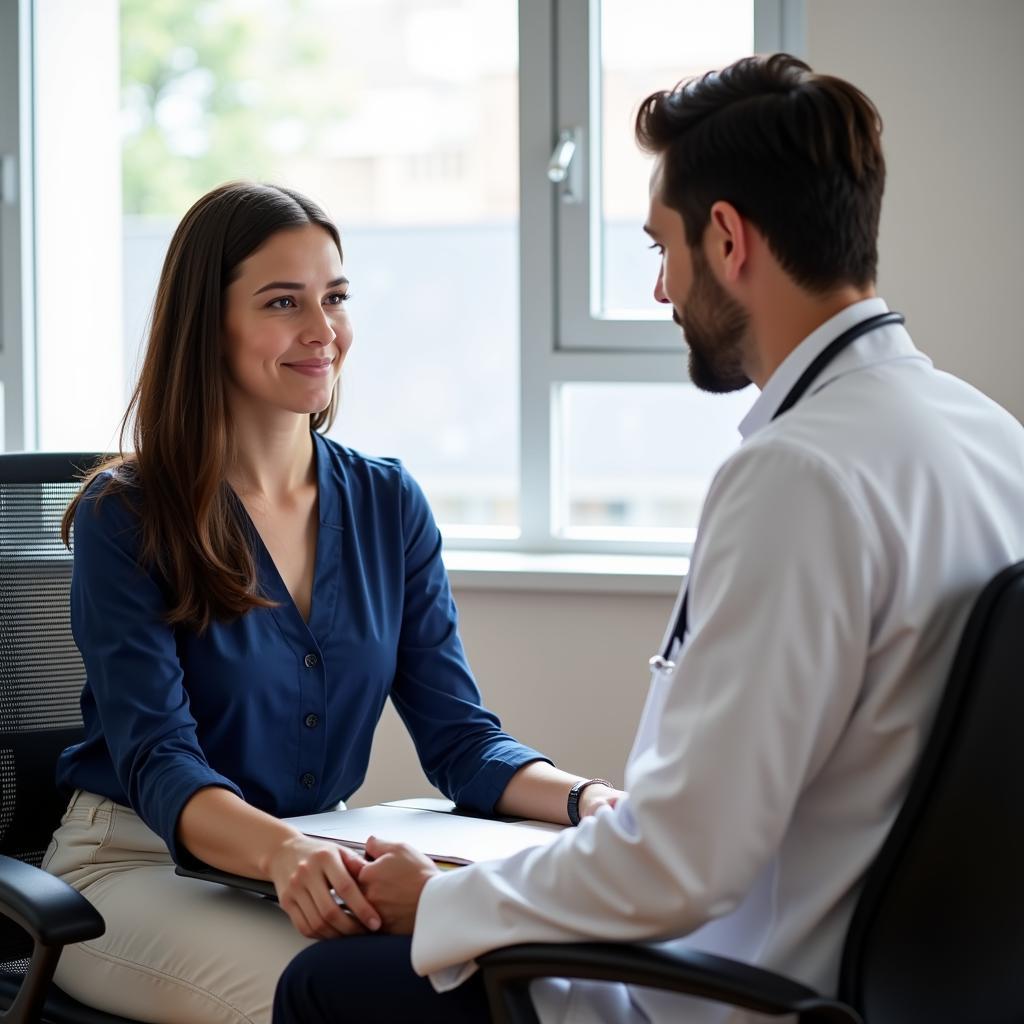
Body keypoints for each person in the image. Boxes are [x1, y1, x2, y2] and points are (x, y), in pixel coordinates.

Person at [273, 53, 1024, 1024]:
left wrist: (443, 897)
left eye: (659, 248)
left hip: (739, 992)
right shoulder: (988, 437)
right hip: (903, 987)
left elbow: (682, 863)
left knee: (327, 987)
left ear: (726, 238)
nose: (665, 291)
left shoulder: (796, 476)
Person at [43, 181, 621, 1024]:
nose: (324, 332)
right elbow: (161, 762)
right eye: (284, 302)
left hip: (313, 855)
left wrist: (589, 802)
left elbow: (460, 739)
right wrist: (286, 852)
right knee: (371, 1002)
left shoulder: (389, 502)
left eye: (336, 298)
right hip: (132, 871)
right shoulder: (126, 514)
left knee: (509, 967)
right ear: (209, 324)